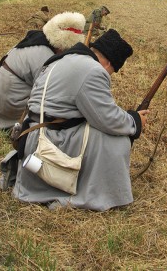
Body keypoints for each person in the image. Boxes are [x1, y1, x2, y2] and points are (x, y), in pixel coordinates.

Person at [12, 29, 147, 211]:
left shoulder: (62, 60)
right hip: (48, 142)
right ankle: (86, 197)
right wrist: (135, 121)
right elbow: (107, 119)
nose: (109, 76)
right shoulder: (93, 70)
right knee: (116, 140)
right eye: (112, 72)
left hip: (32, 139)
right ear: (108, 63)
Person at [0, 12, 86, 132]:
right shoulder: (44, 54)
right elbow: (49, 91)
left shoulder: (34, 41)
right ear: (63, 43)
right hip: (8, 95)